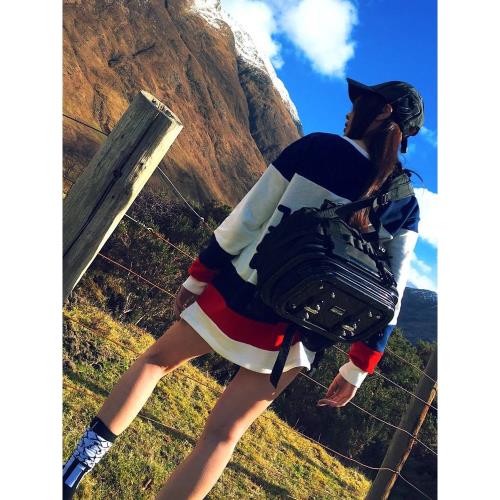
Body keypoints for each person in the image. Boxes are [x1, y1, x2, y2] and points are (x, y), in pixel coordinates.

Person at [63, 77, 424, 499]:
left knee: (155, 362)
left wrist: (200, 275)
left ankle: (70, 477)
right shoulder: (405, 203)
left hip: (241, 293)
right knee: (223, 436)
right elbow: (391, 294)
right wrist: (358, 368)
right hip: (301, 332)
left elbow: (247, 218)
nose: (349, 111)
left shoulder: (317, 148)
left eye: (359, 102)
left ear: (382, 112)